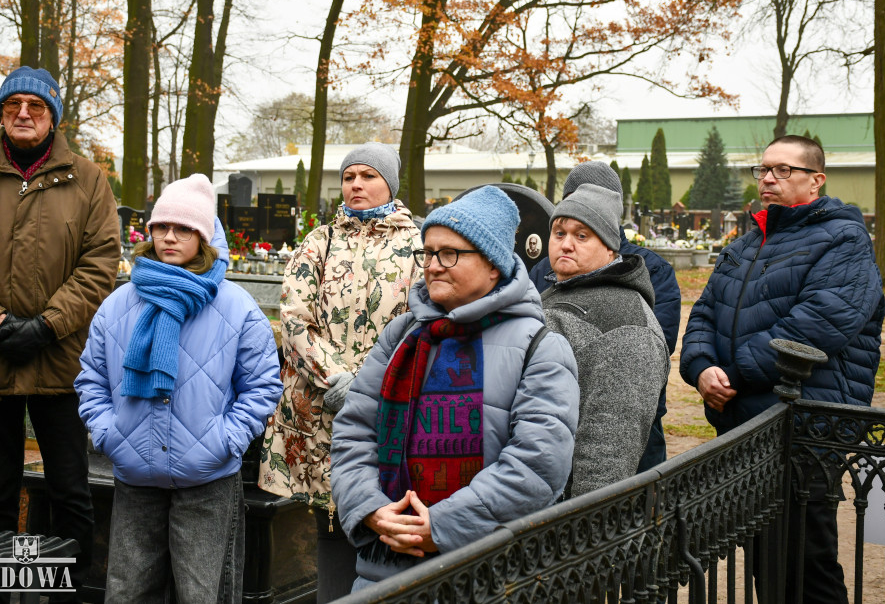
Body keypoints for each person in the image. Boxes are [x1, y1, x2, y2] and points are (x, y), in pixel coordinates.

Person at [0, 66, 120, 601]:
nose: (24, 114)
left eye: (36, 106)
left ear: (53, 115)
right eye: (14, 106)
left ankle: (64, 594)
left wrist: (48, 325)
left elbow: (100, 261)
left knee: (69, 492)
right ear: (1, 114)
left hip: (60, 360)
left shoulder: (88, 179)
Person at [331, 186, 579, 590]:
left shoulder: (541, 348)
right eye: (427, 253)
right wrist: (372, 510)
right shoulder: (401, 335)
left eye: (450, 253)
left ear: (493, 265)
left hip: (485, 575)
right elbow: (354, 431)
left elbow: (538, 463)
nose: (432, 266)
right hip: (383, 569)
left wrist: (442, 526)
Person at [681, 135, 885, 604]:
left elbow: (817, 324)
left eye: (783, 170)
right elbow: (705, 313)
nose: (769, 178)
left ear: (817, 180)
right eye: (764, 169)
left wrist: (732, 373)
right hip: (747, 424)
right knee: (766, 563)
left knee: (806, 564)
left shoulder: (844, 240)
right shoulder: (749, 241)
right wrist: (701, 368)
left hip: (805, 428)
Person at [75, 174, 282, 603]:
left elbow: (262, 387)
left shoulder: (236, 308)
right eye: (161, 226)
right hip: (135, 473)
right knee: (128, 592)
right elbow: (91, 379)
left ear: (204, 238)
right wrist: (110, 433)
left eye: (184, 228)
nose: (170, 237)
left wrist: (226, 439)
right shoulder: (118, 304)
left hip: (206, 478)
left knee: (202, 594)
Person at [258, 142, 422, 602]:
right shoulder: (319, 242)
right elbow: (293, 318)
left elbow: (424, 323)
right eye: (349, 176)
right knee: (329, 524)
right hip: (321, 414)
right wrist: (338, 382)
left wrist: (372, 388)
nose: (355, 184)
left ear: (389, 182)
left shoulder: (419, 246)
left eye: (368, 176)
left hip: (390, 411)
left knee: (385, 520)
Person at [530, 160, 680, 474]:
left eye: (582, 234)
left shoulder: (655, 272)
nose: (567, 243)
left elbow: (647, 351)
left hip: (632, 415)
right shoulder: (546, 268)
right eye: (560, 231)